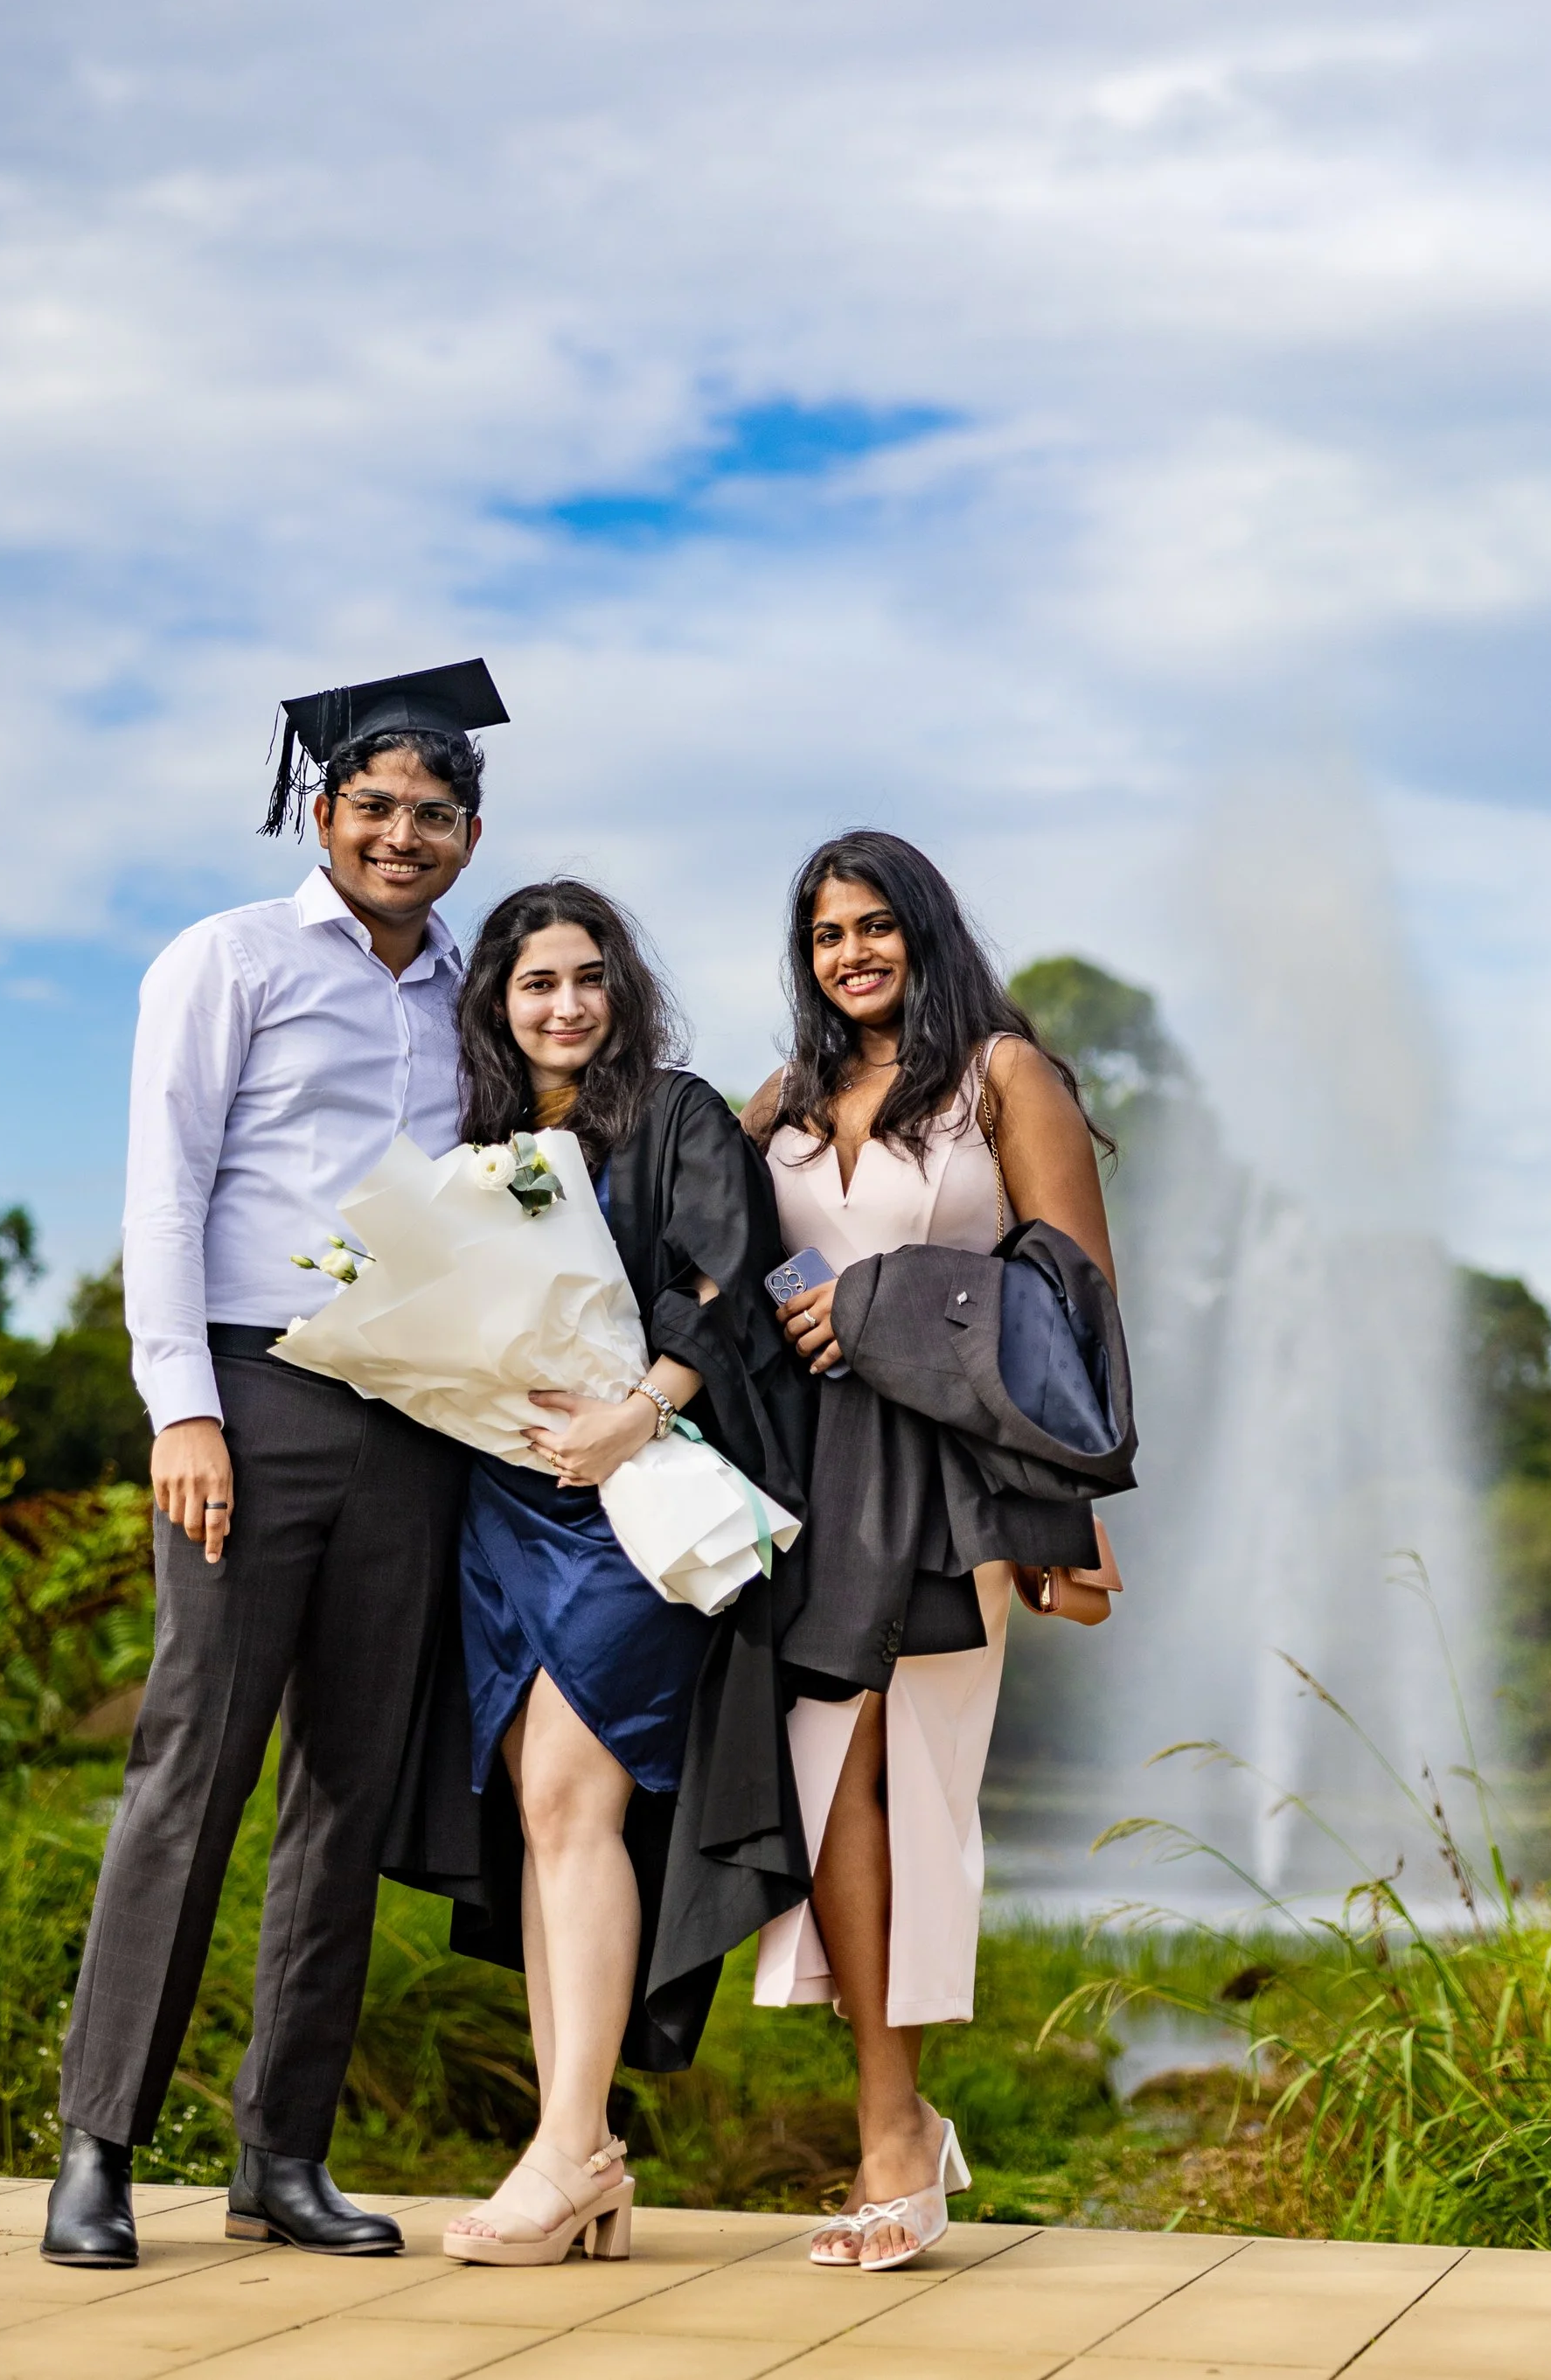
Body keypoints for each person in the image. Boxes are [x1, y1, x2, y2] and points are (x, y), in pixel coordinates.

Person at [41, 659, 506, 2271]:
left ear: (466, 834)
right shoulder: (225, 959)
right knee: (194, 1769)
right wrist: (181, 1407)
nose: (400, 833)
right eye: (373, 805)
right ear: (322, 812)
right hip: (251, 1399)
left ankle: (281, 2155)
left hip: (411, 1414)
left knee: (346, 1796)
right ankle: (97, 2147)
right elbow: (161, 1193)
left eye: (432, 814)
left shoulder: (473, 991)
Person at [743, 829, 1120, 2274]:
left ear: (926, 930)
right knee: (829, 1783)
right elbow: (709, 1251)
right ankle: (897, 2116)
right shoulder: (782, 1099)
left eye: (877, 925)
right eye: (829, 933)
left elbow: (1073, 1292)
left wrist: (1070, 1515)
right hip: (813, 1484)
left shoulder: (1002, 1077)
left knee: (913, 1787)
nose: (853, 953)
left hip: (954, 1481)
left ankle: (893, 2136)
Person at [438, 878, 798, 2270]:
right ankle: (569, 2143)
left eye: (589, 976)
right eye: (538, 983)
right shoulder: (480, 1144)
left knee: (576, 1800)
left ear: (621, 985)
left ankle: (570, 2146)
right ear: (500, 1002)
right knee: (542, 1811)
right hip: (508, 1502)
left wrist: (636, 1410)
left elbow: (729, 1276)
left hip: (636, 1497)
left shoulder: (680, 1114)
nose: (567, 1003)